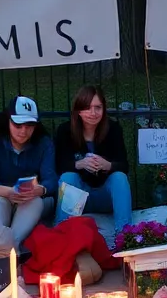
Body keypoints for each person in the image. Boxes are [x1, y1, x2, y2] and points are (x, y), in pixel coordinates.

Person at [0, 96, 57, 246]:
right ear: (8, 120)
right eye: (18, 125)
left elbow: (51, 180)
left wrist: (39, 190)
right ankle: (4, 244)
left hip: (31, 199)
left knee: (36, 202)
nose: (23, 131)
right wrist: (8, 192)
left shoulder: (44, 143)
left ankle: (10, 245)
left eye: (29, 126)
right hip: (2, 196)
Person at [54, 85, 132, 230]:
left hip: (105, 195)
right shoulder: (65, 130)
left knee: (119, 177)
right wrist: (80, 164)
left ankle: (125, 233)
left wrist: (108, 165)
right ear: (78, 110)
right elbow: (59, 166)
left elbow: (124, 165)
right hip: (78, 196)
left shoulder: (113, 129)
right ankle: (62, 232)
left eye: (98, 107)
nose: (93, 113)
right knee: (68, 177)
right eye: (87, 108)